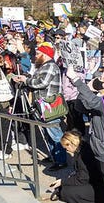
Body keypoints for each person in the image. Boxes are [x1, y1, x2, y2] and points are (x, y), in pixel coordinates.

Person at [12, 42, 66, 170]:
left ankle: (61, 160)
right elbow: (37, 79)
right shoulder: (44, 66)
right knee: (47, 132)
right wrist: (25, 78)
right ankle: (54, 156)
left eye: (38, 53)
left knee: (55, 133)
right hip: (43, 105)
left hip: (50, 106)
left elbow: (41, 82)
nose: (35, 56)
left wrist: (26, 81)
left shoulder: (50, 66)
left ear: (45, 55)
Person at [49, 130, 104, 203]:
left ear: (71, 144)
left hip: (95, 186)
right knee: (64, 189)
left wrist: (63, 181)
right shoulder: (83, 148)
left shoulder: (82, 155)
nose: (66, 150)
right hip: (94, 183)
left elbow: (82, 178)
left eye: (66, 148)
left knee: (66, 192)